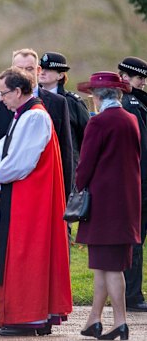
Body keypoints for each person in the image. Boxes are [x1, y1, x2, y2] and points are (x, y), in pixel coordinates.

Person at [0, 67, 72, 337]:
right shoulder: (24, 115)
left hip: (30, 200)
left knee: (25, 254)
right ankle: (18, 315)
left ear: (19, 91)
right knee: (16, 254)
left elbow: (21, 161)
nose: (0, 99)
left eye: (4, 93)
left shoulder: (34, 117)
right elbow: (3, 151)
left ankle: (27, 316)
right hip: (22, 196)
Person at [75, 72, 141, 340]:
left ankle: (121, 322)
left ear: (96, 97)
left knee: (111, 267)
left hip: (103, 204)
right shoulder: (131, 119)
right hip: (127, 202)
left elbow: (86, 164)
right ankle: (95, 319)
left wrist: (78, 186)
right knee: (103, 264)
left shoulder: (99, 122)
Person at [0, 48, 73, 199]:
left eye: (29, 69)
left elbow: (65, 151)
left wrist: (64, 194)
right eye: (19, 69)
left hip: (37, 186)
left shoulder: (54, 104)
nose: (24, 74)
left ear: (38, 70)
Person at [118, 56, 147, 313]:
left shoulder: (137, 103)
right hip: (140, 183)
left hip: (141, 182)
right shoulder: (131, 104)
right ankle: (133, 295)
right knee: (135, 243)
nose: (142, 83)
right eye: (139, 78)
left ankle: (133, 293)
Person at [39, 51, 90, 174]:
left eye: (49, 70)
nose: (42, 72)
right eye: (41, 68)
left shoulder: (72, 102)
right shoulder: (30, 99)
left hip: (66, 167)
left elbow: (87, 137)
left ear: (60, 75)